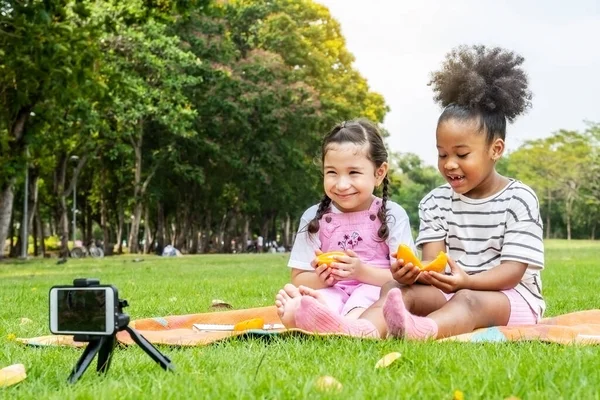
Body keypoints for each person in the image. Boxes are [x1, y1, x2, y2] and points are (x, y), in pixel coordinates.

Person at [280, 45, 545, 340]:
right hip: (449, 290)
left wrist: (465, 281)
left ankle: (423, 331)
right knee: (394, 289)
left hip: (509, 297)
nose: (450, 164)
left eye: (462, 154)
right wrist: (411, 274)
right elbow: (431, 265)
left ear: (495, 149)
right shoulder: (435, 202)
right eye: (442, 154)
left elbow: (513, 272)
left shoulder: (519, 198)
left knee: (469, 300)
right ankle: (359, 330)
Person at [275, 119, 415, 328]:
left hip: (375, 289)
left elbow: (405, 277)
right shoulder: (314, 217)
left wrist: (361, 273)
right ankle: (312, 312)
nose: (342, 184)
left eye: (353, 173)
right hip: (333, 289)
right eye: (332, 172)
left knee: (367, 299)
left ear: (379, 173)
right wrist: (322, 280)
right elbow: (299, 277)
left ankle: (349, 323)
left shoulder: (393, 214)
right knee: (319, 298)